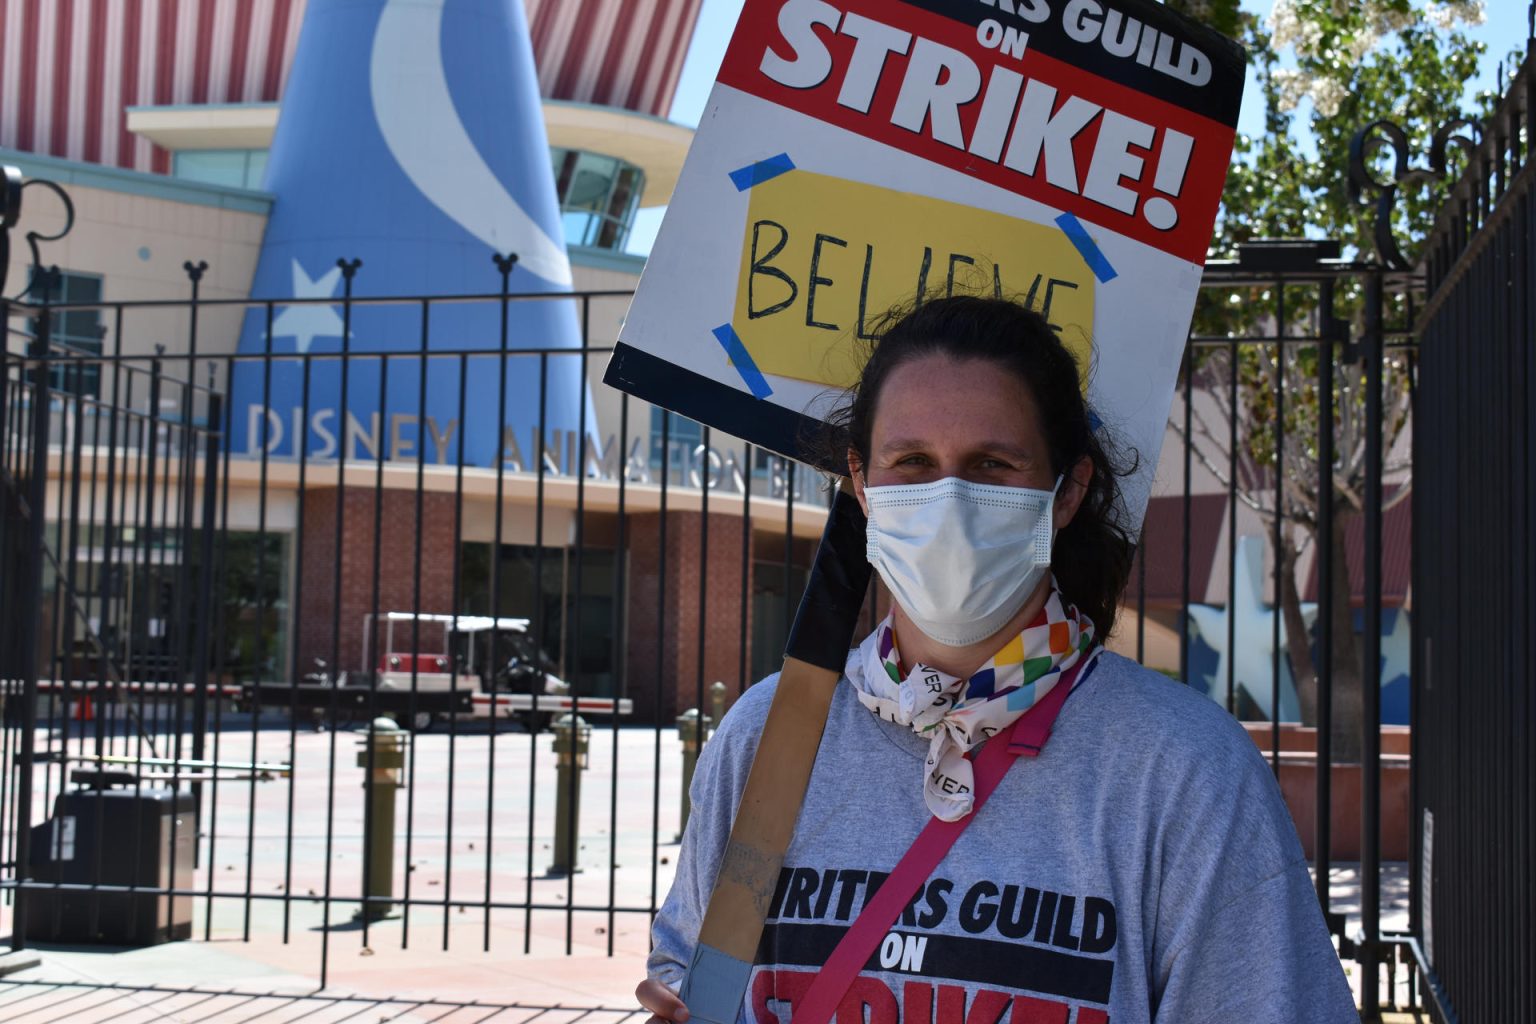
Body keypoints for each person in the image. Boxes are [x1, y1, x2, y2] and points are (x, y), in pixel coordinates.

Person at [638, 296, 1357, 1023]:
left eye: (993, 464)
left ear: (1067, 491)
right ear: (862, 484)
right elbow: (688, 973)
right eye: (912, 461)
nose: (949, 499)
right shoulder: (767, 738)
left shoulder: (1183, 773)